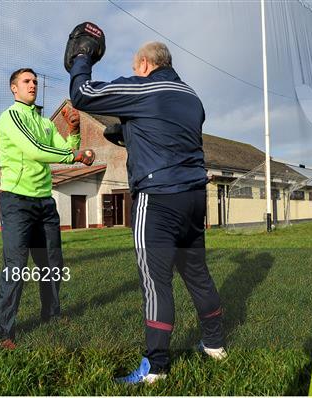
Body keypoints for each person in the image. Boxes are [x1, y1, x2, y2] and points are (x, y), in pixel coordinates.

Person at [67, 41, 226, 383]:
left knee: (155, 282)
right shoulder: (191, 97)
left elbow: (82, 95)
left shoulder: (143, 86)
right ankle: (215, 345)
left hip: (158, 199)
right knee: (197, 274)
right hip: (194, 197)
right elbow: (168, 134)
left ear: (143, 63)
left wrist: (81, 57)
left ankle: (156, 368)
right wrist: (129, 132)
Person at [0, 68, 95, 349]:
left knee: (52, 264)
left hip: (44, 202)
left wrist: (74, 131)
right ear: (14, 88)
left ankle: (51, 314)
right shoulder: (11, 116)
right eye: (27, 81)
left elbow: (63, 147)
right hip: (16, 201)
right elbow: (35, 150)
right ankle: (3, 332)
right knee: (16, 267)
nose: (33, 85)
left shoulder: (43, 121)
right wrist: (75, 155)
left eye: (35, 81)